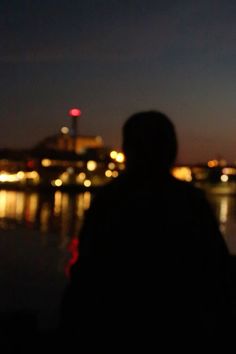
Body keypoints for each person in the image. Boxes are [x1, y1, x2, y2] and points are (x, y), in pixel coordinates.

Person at [60, 110, 231, 352]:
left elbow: (87, 272)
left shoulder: (109, 200)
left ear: (128, 150)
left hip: (112, 330)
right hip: (181, 330)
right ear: (171, 150)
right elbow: (216, 271)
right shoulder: (190, 201)